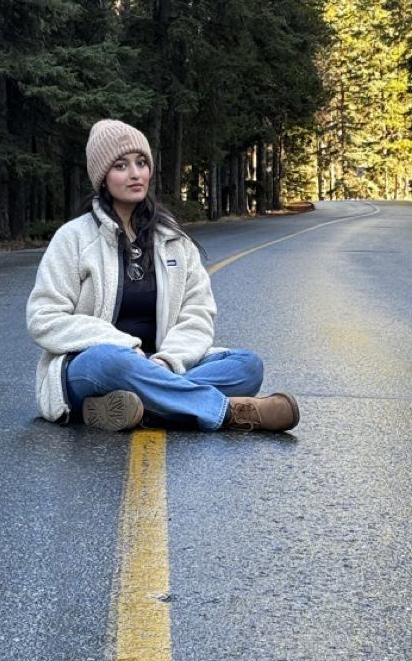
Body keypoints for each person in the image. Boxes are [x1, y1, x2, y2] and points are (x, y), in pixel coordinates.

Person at [26, 119, 300, 433]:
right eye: (121, 166)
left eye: (141, 163)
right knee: (110, 361)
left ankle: (140, 407)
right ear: (103, 178)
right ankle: (226, 411)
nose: (134, 173)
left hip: (161, 362)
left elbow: (197, 312)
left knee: (248, 365)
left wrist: (167, 361)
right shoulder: (73, 238)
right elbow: (43, 318)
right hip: (93, 368)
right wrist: (122, 345)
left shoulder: (173, 239)